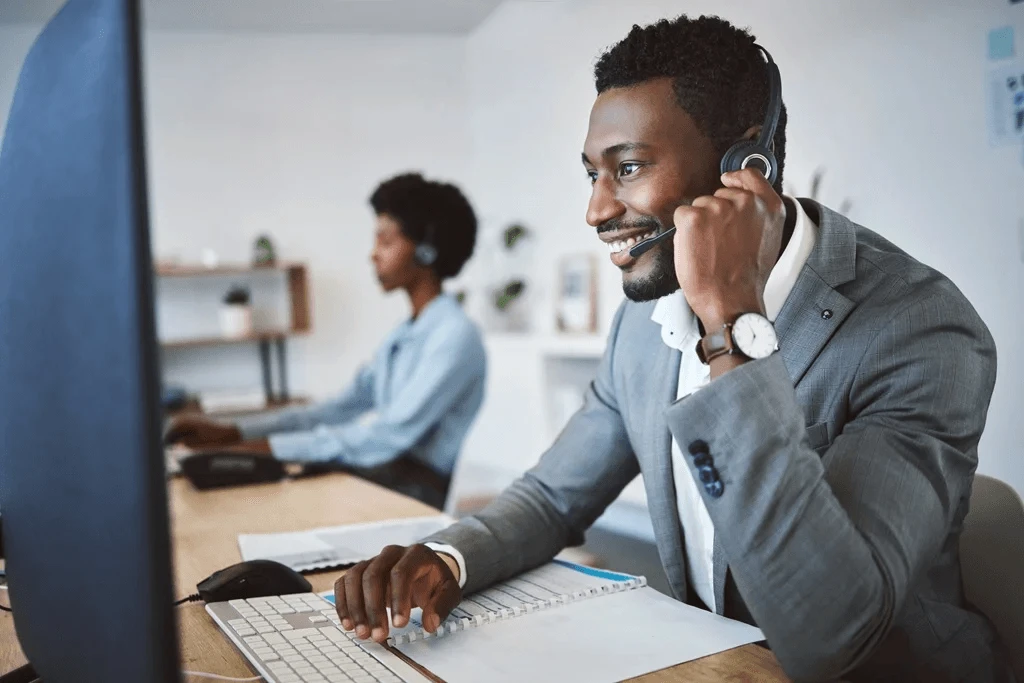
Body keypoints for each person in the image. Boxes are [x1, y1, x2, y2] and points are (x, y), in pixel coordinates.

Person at [328, 15, 1016, 683]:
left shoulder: (920, 328)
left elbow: (829, 637)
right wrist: (448, 559)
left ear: (746, 166)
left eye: (627, 168)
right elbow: (551, 497)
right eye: (592, 173)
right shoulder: (644, 324)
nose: (596, 210)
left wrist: (731, 322)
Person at [165, 172, 486, 510]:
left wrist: (257, 450)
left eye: (386, 241)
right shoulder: (406, 332)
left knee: (268, 501)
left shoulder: (455, 337)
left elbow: (385, 438)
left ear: (426, 252)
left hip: (412, 489)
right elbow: (337, 409)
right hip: (379, 472)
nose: (373, 254)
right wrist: (234, 432)